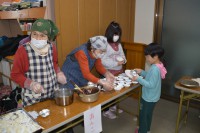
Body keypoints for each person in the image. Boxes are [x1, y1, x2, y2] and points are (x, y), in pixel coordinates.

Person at [11, 19, 67, 107]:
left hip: (52, 95)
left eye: (42, 35)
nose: (37, 38)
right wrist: (31, 84)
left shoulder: (52, 47)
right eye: (34, 34)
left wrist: (58, 73)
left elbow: (54, 64)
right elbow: (15, 74)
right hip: (33, 99)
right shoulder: (23, 50)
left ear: (48, 37)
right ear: (31, 34)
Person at [132, 43, 167, 133]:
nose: (146, 58)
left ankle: (142, 131)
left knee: (143, 116)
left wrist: (138, 79)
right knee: (148, 115)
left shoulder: (155, 69)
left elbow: (151, 84)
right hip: (152, 97)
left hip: (148, 98)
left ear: (155, 57)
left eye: (147, 57)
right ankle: (147, 130)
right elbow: (150, 77)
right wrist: (142, 72)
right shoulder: (157, 65)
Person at [101, 21, 127, 119]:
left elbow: (122, 55)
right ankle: (106, 110)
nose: (117, 36)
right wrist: (116, 63)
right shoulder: (105, 44)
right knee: (108, 91)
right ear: (110, 33)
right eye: (115, 34)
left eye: (118, 34)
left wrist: (124, 60)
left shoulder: (118, 44)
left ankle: (113, 106)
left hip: (119, 70)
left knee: (116, 90)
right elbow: (103, 61)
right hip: (109, 71)